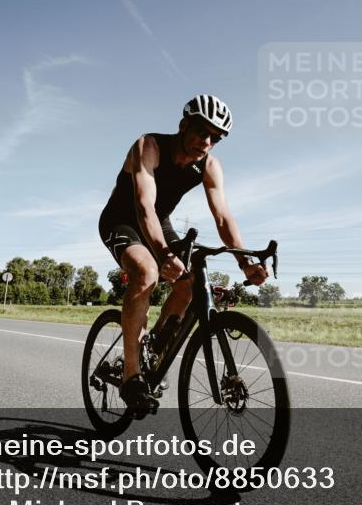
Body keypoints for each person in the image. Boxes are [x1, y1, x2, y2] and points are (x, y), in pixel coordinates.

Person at [98, 94, 268, 413]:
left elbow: (222, 217)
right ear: (183, 125)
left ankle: (157, 346)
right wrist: (163, 254)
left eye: (215, 138)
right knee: (146, 271)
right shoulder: (149, 146)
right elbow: (143, 204)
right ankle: (131, 377)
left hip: (159, 223)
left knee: (191, 281)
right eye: (201, 132)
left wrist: (245, 262)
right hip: (123, 218)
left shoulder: (209, 165)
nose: (206, 142)